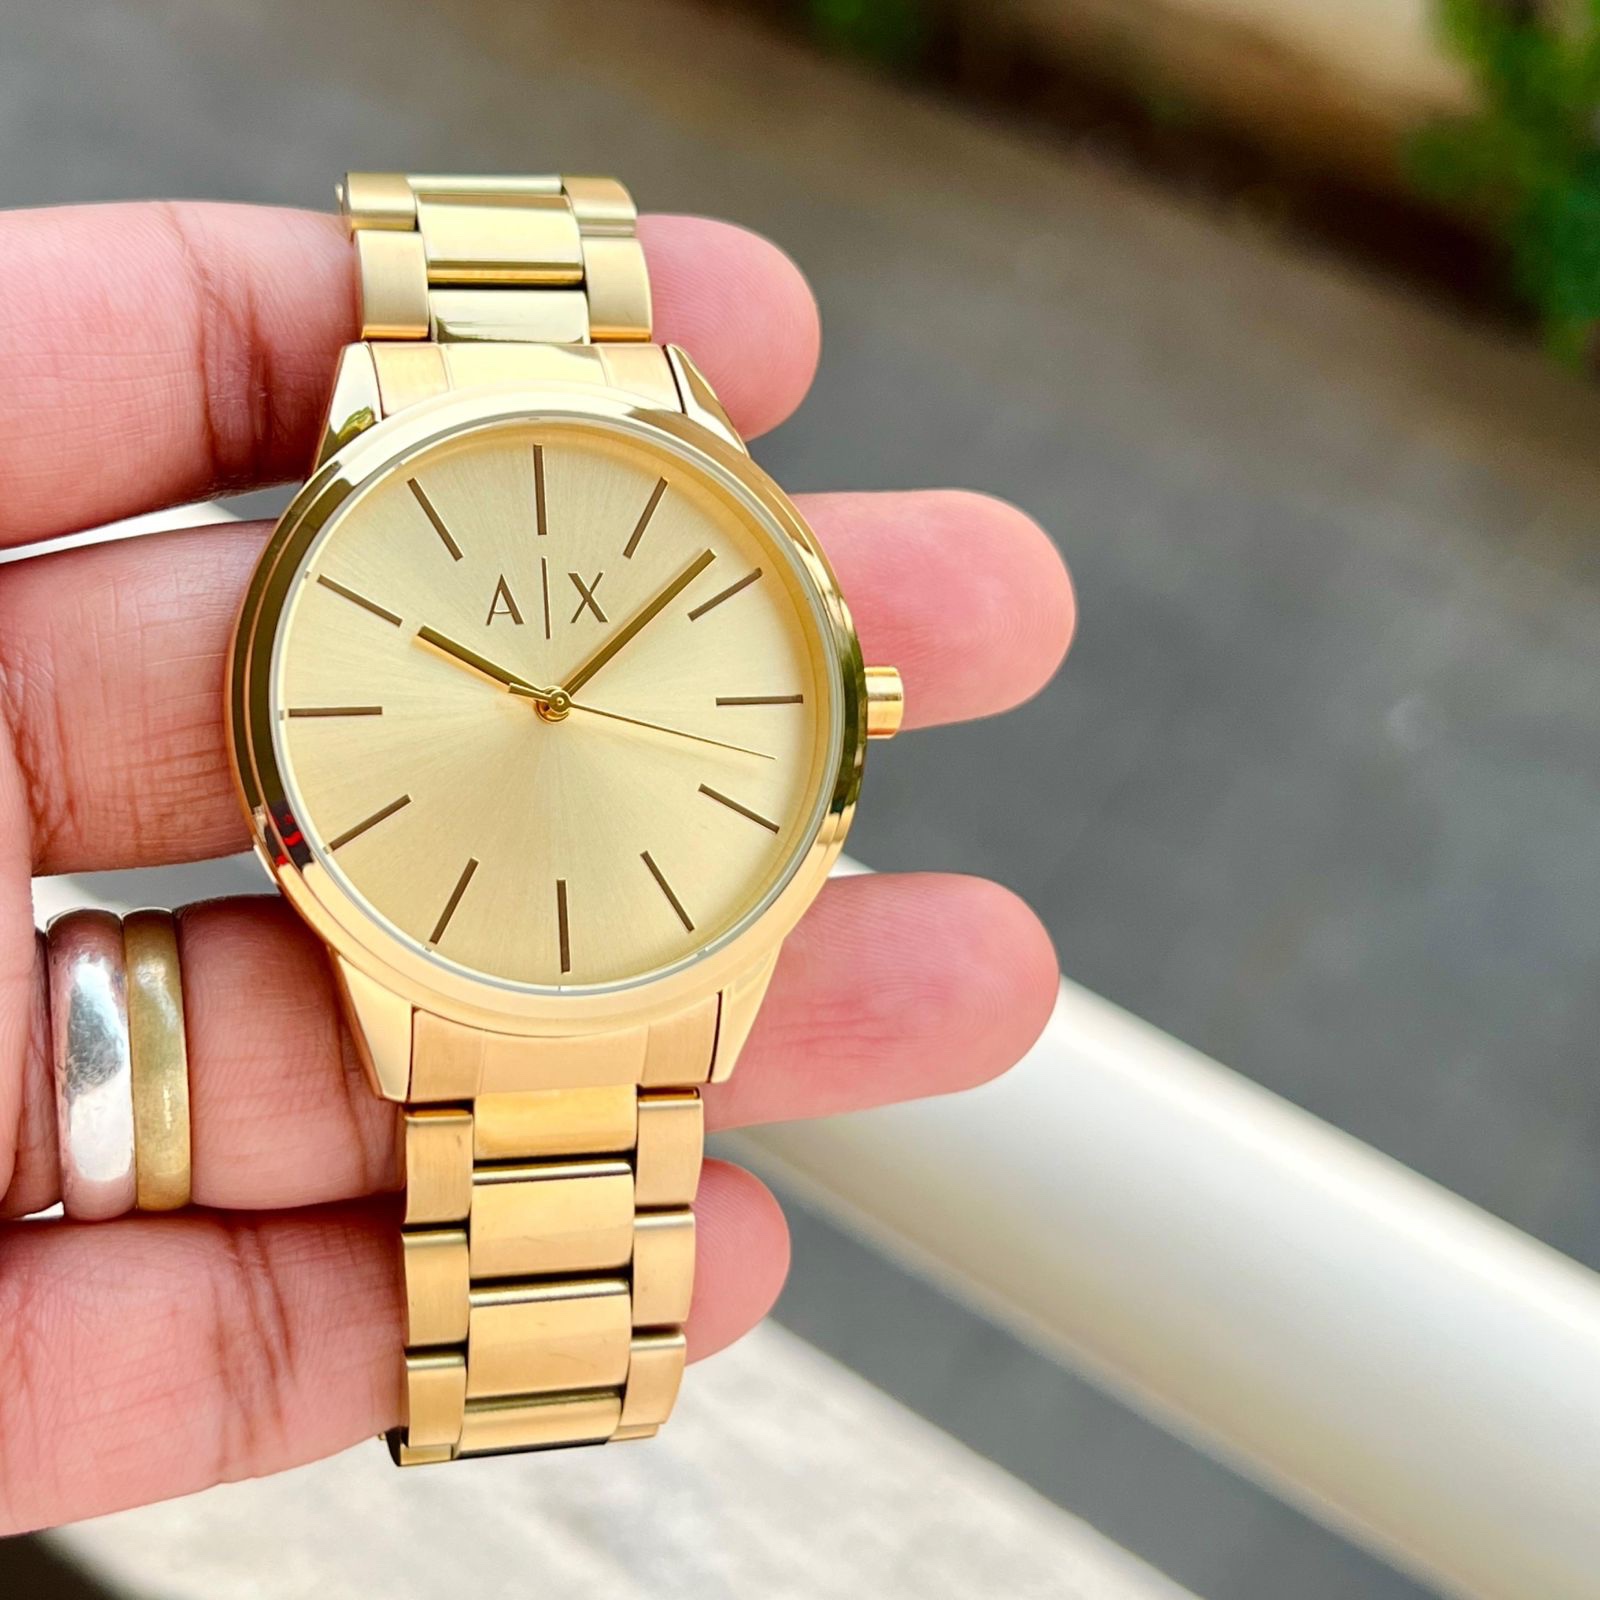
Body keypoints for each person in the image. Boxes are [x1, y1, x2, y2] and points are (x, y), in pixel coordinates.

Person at [0, 199, 1075, 1531]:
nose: (553, 703)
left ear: (859, 703)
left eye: (567, 694)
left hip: (638, 940)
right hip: (450, 939)